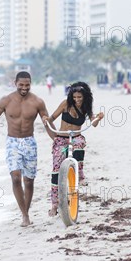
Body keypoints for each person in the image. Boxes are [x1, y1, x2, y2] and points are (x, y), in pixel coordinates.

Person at [0, 71, 50, 227]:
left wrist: (57, 140)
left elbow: (47, 123)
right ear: (15, 83)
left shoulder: (38, 102)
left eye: (27, 85)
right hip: (12, 142)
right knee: (15, 178)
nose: (24, 88)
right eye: (21, 84)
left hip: (29, 142)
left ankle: (26, 212)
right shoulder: (6, 100)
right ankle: (24, 216)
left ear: (31, 84)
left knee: (28, 181)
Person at [42, 82, 104, 217]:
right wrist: (46, 119)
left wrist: (98, 118)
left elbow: (93, 123)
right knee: (56, 170)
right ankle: (54, 204)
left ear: (85, 97)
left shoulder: (86, 107)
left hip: (76, 136)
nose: (77, 100)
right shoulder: (65, 104)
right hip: (61, 138)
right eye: (75, 97)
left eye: (80, 97)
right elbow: (52, 118)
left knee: (80, 144)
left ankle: (80, 174)